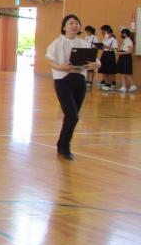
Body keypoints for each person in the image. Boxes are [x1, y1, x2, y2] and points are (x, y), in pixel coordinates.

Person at [45, 14, 100, 160]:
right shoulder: (57, 42)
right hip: (63, 81)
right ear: (64, 27)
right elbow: (49, 60)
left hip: (79, 81)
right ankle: (64, 147)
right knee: (72, 116)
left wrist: (96, 64)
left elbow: (96, 61)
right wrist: (60, 67)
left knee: (72, 116)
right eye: (71, 23)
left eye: (77, 23)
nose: (75, 25)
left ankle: (62, 145)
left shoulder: (83, 43)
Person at [116, 28, 137, 93]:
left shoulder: (129, 41)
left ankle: (133, 85)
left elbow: (130, 51)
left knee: (126, 73)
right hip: (123, 57)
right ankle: (123, 87)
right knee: (123, 72)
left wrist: (121, 53)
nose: (121, 34)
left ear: (125, 33)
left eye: (122, 33)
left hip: (126, 58)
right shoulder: (125, 40)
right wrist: (119, 52)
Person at [98, 25, 118, 91]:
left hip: (110, 54)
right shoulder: (105, 39)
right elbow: (103, 47)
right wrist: (99, 46)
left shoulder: (114, 40)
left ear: (111, 33)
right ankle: (106, 82)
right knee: (104, 68)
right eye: (106, 33)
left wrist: (107, 47)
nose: (106, 34)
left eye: (107, 33)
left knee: (109, 69)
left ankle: (109, 83)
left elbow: (114, 49)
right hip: (105, 54)